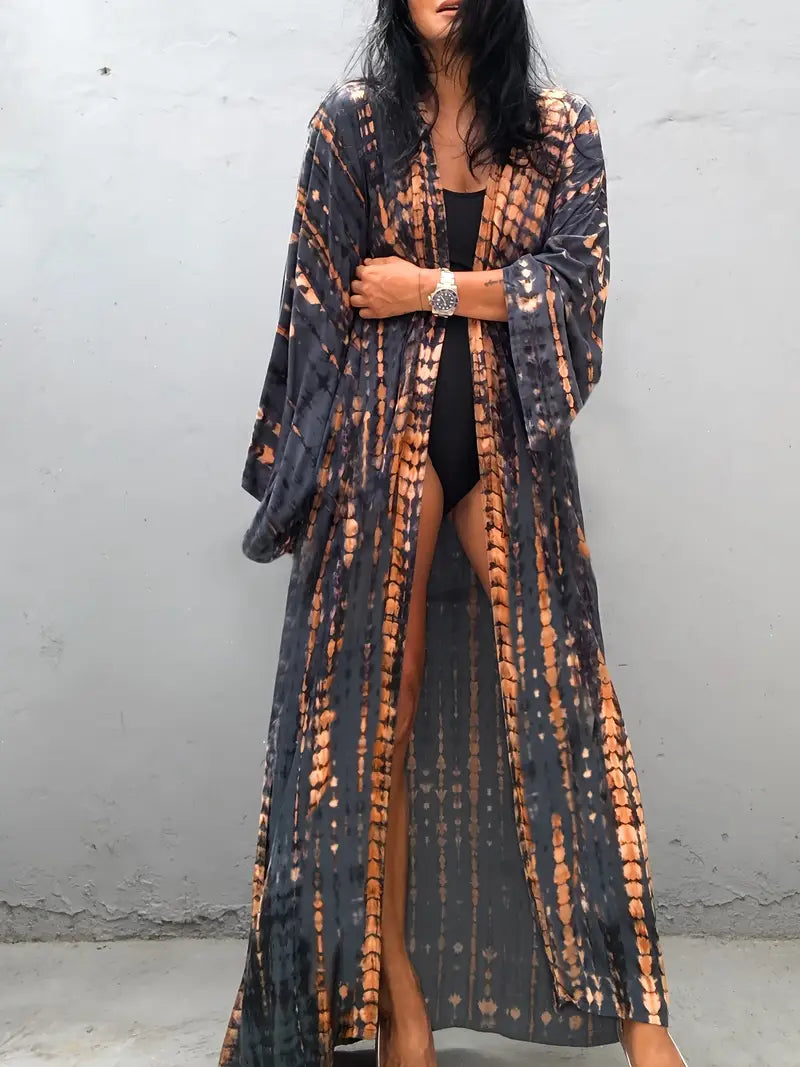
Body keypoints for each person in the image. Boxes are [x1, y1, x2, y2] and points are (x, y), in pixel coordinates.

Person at [219, 2, 687, 1066]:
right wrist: (298, 488)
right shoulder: (351, 124)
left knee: (570, 707)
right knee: (372, 720)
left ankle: (644, 1022)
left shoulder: (559, 130)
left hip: (510, 448)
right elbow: (318, 305)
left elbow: (576, 295)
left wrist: (426, 287)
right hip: (380, 447)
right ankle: (403, 1012)